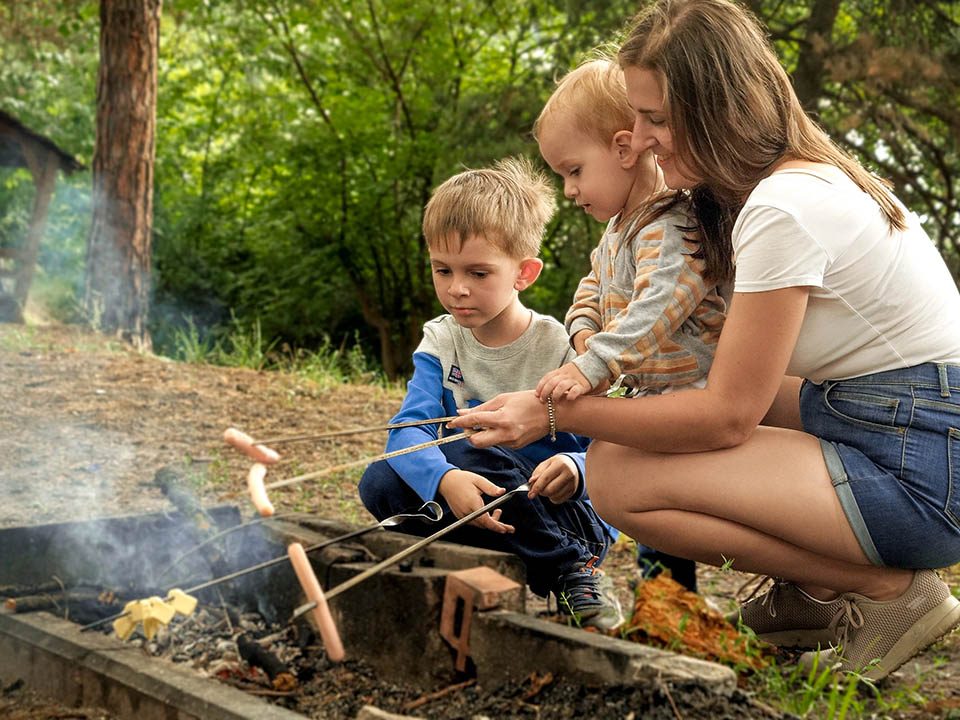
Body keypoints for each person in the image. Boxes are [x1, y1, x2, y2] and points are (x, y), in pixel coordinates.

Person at [449, 0, 960, 681]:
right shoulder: (783, 189)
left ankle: (884, 591)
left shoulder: (783, 209)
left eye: (656, 118)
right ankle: (813, 596)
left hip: (922, 472)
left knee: (617, 475)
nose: (642, 137)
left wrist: (551, 413)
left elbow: (726, 415)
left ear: (717, 106)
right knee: (655, 423)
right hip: (896, 423)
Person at [358, 157, 622, 629]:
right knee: (380, 480)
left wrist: (574, 466)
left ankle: (570, 568)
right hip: (481, 498)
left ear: (524, 273)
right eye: (442, 271)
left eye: (478, 274)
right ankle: (499, 552)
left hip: (560, 509)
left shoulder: (562, 347)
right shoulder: (441, 340)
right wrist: (443, 481)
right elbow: (407, 430)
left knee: (471, 441)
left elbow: (607, 445)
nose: (456, 289)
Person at [532, 57, 727, 592]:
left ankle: (675, 592)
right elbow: (591, 290)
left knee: (650, 490)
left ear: (623, 149)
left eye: (574, 171)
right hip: (653, 393)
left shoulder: (671, 224)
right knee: (639, 497)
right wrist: (582, 337)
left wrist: (594, 366)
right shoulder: (619, 229)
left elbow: (655, 311)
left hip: (697, 394)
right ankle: (666, 597)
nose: (570, 190)